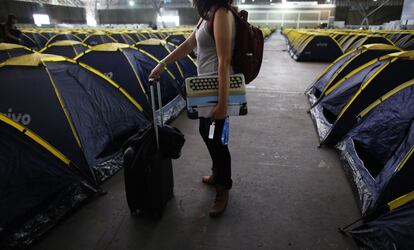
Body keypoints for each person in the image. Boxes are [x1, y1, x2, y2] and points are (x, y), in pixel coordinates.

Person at [149, 0, 235, 217]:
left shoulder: (222, 13)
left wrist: (222, 104)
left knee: (217, 140)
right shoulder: (207, 14)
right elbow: (189, 45)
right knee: (207, 134)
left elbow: (224, 61)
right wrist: (163, 63)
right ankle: (217, 174)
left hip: (217, 90)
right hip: (204, 91)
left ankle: (223, 187)